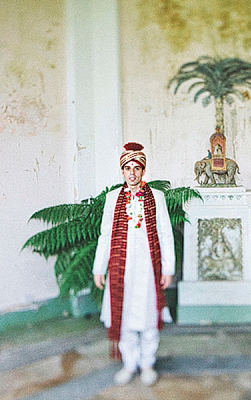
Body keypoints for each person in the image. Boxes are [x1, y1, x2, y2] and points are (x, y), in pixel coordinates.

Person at [92, 142, 175, 386]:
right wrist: (99, 267)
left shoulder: (156, 197)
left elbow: (165, 233)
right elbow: (105, 235)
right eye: (127, 168)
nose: (132, 173)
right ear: (122, 171)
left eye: (137, 168)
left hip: (149, 269)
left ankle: (147, 363)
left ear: (143, 171)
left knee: (149, 318)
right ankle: (130, 364)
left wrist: (168, 268)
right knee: (125, 317)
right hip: (121, 270)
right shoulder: (112, 198)